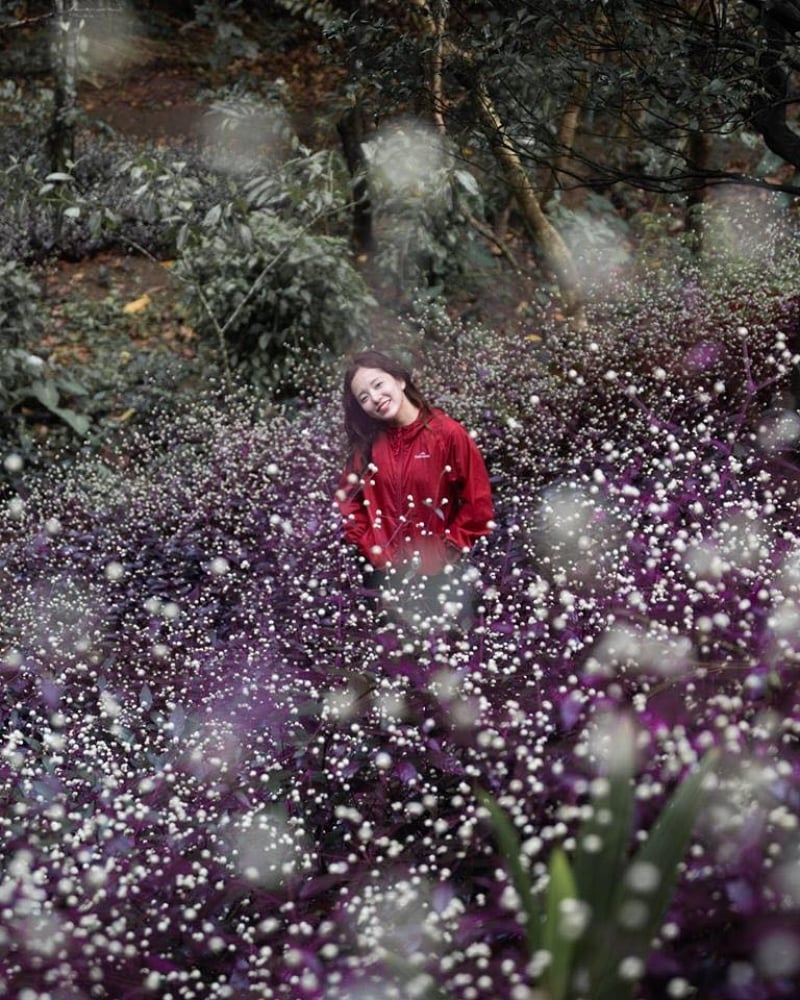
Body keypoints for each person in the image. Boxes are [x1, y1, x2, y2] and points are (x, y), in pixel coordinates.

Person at [335, 349, 493, 622]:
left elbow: (478, 505)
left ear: (399, 380)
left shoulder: (447, 434)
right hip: (386, 580)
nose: (374, 398)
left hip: (442, 579)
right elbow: (348, 502)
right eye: (364, 397)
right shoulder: (368, 446)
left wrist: (446, 551)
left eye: (378, 384)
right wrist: (373, 547)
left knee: (445, 658)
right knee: (395, 659)